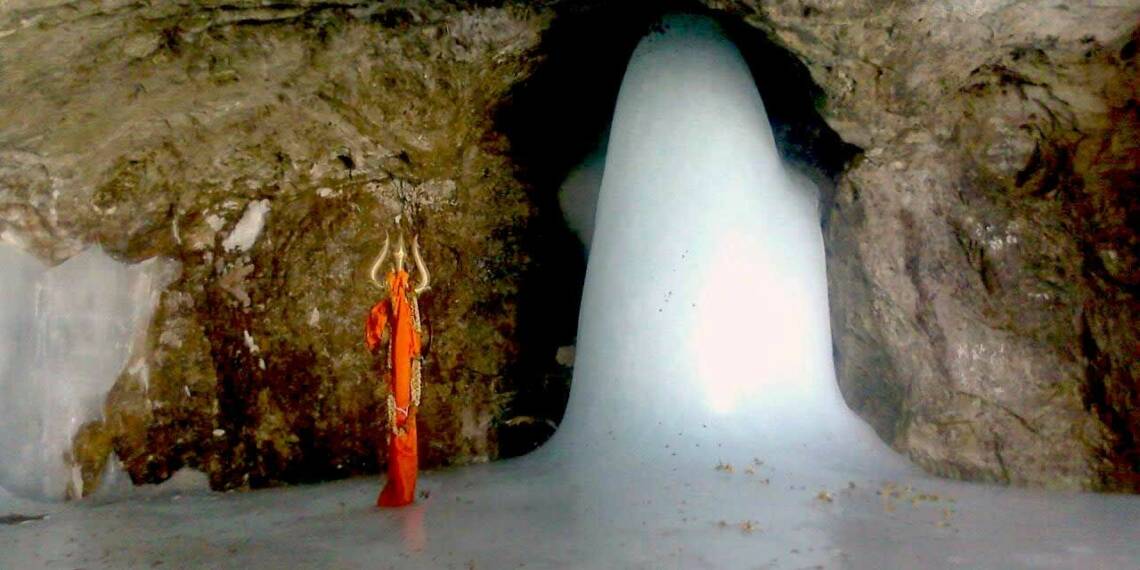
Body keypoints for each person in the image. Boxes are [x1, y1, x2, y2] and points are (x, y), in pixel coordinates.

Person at [365, 232, 430, 507]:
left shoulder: (406, 303)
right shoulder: (396, 303)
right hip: (400, 372)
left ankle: (404, 489)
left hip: (405, 370)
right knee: (402, 427)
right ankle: (401, 489)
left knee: (404, 428)